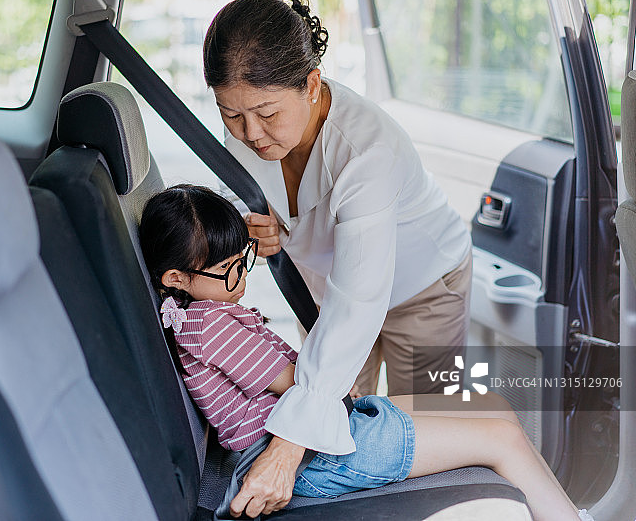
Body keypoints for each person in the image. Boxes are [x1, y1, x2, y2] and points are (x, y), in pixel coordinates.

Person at [137, 185, 591, 521]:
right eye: (227, 269)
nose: (242, 277)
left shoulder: (209, 308)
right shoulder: (208, 323)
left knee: (492, 404)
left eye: (244, 259)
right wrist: (326, 378)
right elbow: (294, 381)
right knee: (502, 439)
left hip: (319, 427)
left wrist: (326, 380)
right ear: (176, 277)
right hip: (305, 456)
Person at [202, 0, 474, 512]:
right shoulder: (248, 120)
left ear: (310, 83)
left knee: (426, 436)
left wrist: (287, 446)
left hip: (424, 289)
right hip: (324, 295)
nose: (250, 134)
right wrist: (259, 226)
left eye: (265, 114)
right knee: (342, 446)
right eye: (232, 116)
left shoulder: (368, 149)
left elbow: (360, 303)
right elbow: (249, 192)